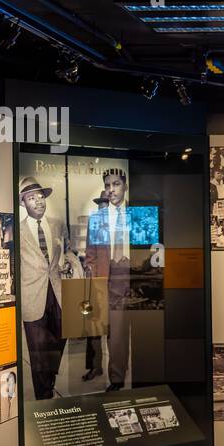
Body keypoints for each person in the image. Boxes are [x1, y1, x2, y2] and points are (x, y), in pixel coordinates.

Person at [19, 176, 70, 400]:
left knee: (59, 337)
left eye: (40, 196)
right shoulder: (17, 231)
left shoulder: (57, 224)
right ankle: (43, 395)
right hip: (32, 295)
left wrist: (67, 262)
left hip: (57, 291)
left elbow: (65, 252)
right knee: (38, 349)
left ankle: (49, 377)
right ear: (23, 203)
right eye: (32, 198)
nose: (38, 201)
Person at [85, 167, 133, 391]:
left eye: (116, 184)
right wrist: (95, 277)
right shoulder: (96, 219)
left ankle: (120, 375)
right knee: (107, 330)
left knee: (124, 331)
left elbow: (150, 251)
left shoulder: (136, 215)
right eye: (107, 185)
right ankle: (110, 374)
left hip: (130, 276)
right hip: (107, 277)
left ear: (125, 186)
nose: (111, 189)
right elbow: (91, 254)